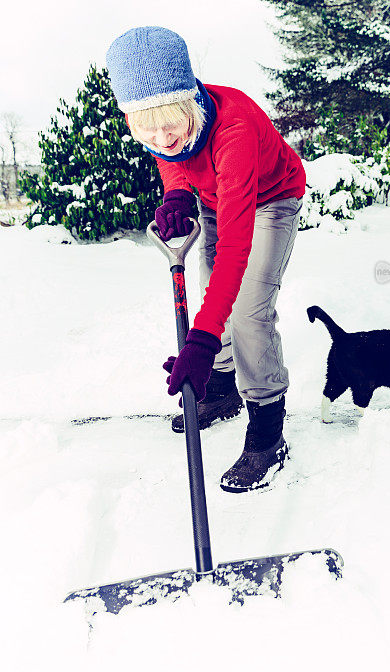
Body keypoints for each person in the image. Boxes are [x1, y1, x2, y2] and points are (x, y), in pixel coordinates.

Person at [106, 26, 305, 493]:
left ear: (190, 101)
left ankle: (267, 427)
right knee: (210, 290)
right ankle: (221, 391)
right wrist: (176, 195)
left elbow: (237, 248)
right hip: (217, 201)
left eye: (170, 121)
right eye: (145, 126)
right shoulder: (164, 130)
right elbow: (169, 156)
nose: (160, 136)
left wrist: (201, 341)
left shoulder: (233, 129)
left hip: (270, 200)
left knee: (248, 313)